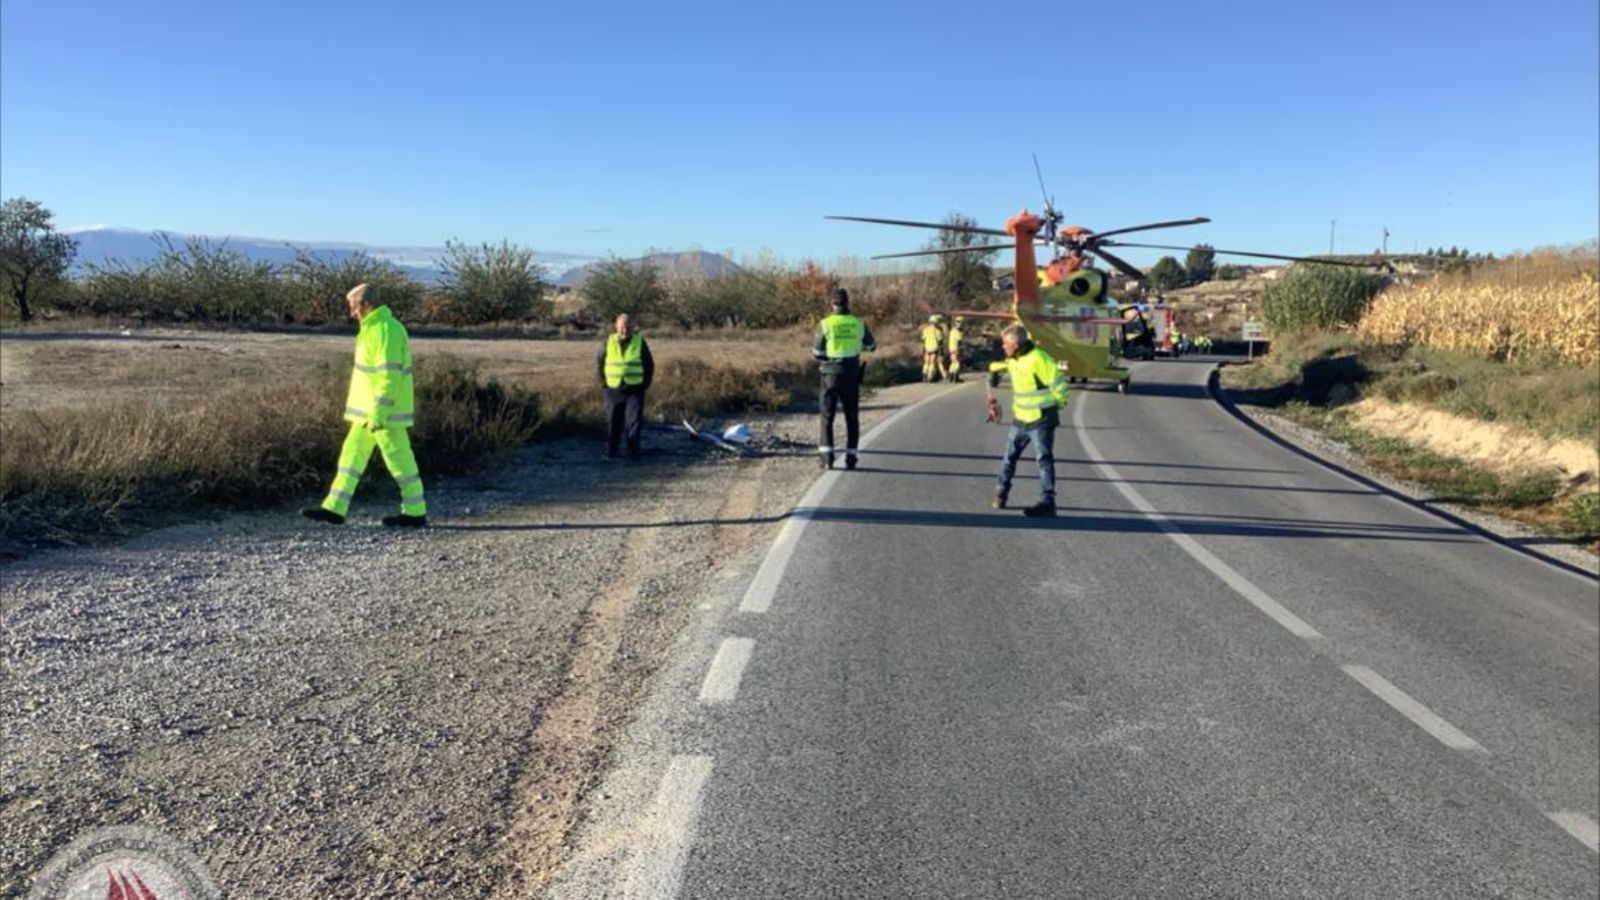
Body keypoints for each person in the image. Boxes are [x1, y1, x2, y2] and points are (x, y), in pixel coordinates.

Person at [302, 283, 427, 527]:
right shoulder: (373, 329)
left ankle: (415, 512)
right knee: (350, 459)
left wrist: (380, 412)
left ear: (366, 304)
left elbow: (389, 376)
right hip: (369, 413)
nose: (351, 313)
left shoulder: (385, 330)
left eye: (353, 307)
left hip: (383, 415)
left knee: (400, 463)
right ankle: (334, 508)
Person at [987, 323, 1069, 518]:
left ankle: (1048, 502)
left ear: (1016, 344)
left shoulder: (1039, 358)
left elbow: (1058, 383)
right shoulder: (1013, 360)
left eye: (1006, 343)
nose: (1003, 346)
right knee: (1009, 457)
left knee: (1043, 460)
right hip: (1021, 418)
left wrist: (1056, 404)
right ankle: (1001, 492)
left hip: (1041, 418)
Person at [812, 288, 876, 470]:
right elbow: (872, 345)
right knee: (852, 417)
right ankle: (851, 458)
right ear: (848, 302)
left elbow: (817, 352)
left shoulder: (825, 324)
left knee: (827, 416)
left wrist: (829, 356)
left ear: (832, 303)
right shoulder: (858, 323)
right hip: (852, 373)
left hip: (830, 374)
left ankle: (827, 458)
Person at [597, 313, 654, 460]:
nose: (625, 330)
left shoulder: (639, 342)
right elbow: (599, 363)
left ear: (632, 328)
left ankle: (632, 452)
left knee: (634, 422)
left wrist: (645, 384)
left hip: (634, 389)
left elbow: (648, 364)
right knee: (613, 421)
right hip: (613, 389)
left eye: (628, 327)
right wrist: (603, 383)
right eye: (622, 327)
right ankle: (611, 452)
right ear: (616, 326)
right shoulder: (608, 342)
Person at [920, 315, 946, 382]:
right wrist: (941, 351)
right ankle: (929, 377)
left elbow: (923, 339)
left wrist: (923, 348)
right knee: (932, 362)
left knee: (926, 362)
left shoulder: (926, 330)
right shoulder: (937, 331)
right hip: (934, 348)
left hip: (927, 348)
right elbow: (940, 340)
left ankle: (924, 375)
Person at [946, 316, 965, 382]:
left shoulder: (952, 330)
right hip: (956, 348)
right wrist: (961, 348)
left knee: (953, 362)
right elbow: (959, 341)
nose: (960, 324)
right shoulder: (957, 331)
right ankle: (955, 377)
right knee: (957, 363)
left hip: (951, 348)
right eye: (958, 322)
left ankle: (951, 376)